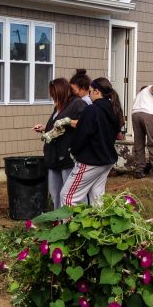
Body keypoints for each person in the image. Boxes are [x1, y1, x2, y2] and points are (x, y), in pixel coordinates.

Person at [61, 77, 124, 207]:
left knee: (68, 197)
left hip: (91, 161)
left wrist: (73, 151)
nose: (89, 95)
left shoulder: (92, 110)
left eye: (90, 91)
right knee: (97, 197)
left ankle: (70, 227)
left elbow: (82, 135)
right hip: (106, 160)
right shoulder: (114, 109)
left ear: (97, 91)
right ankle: (99, 226)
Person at [32, 78, 87, 209]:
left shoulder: (77, 104)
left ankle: (75, 218)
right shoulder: (58, 107)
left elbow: (85, 124)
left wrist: (67, 122)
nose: (53, 97)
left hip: (67, 156)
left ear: (62, 91)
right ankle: (59, 219)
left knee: (69, 193)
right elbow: (56, 126)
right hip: (53, 157)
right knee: (55, 191)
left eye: (54, 94)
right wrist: (45, 128)